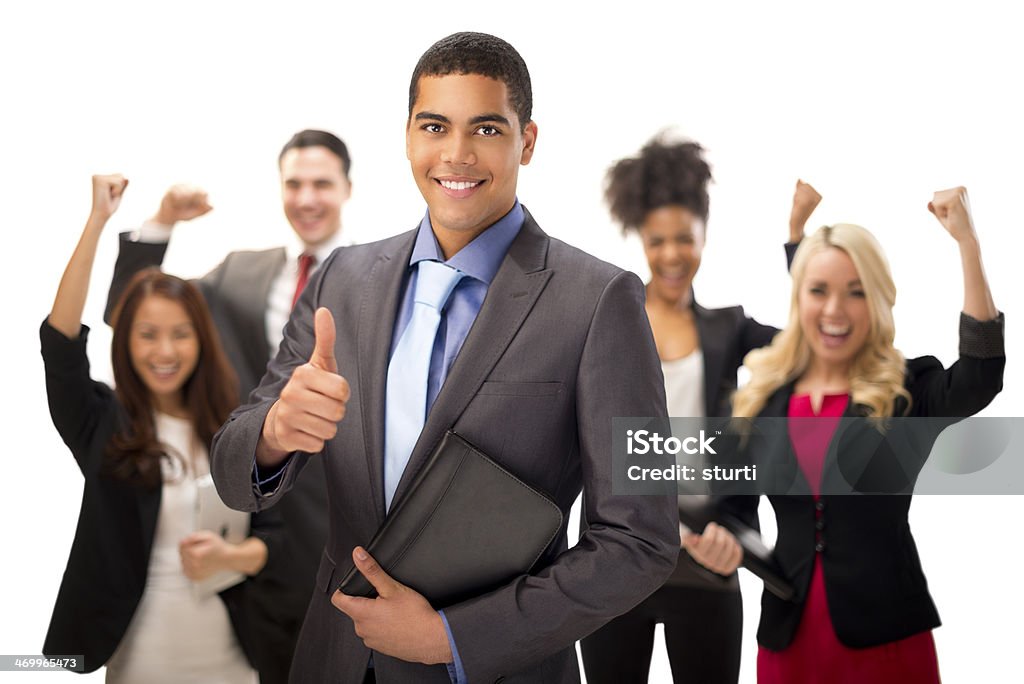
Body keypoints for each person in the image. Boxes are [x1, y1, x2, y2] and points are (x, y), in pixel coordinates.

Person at [210, 32, 679, 684]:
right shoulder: (340, 280)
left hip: (493, 669)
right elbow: (235, 470)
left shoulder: (602, 300)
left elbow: (642, 540)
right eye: (435, 126)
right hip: (334, 662)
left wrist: (454, 638)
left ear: (528, 140)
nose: (457, 154)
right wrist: (272, 434)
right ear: (408, 135)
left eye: (486, 128)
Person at [689, 187, 1004, 683]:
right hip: (788, 647)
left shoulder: (903, 395)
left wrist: (968, 244)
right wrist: (722, 547)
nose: (836, 309)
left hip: (889, 646)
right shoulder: (760, 404)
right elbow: (734, 510)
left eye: (857, 291)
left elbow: (980, 377)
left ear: (877, 301)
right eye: (819, 291)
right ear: (800, 296)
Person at [103, 129, 351, 683]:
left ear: (347, 189)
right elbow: (136, 317)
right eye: (294, 184)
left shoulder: (378, 278)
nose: (306, 198)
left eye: (322, 184)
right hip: (247, 521)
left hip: (338, 524)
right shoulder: (241, 273)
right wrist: (161, 222)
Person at [580, 138, 819, 683]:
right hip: (616, 563)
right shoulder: (603, 321)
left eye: (684, 238)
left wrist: (797, 245)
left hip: (708, 564)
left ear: (703, 237)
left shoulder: (728, 328)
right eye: (658, 240)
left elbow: (808, 348)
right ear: (640, 238)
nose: (671, 255)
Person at [41, 175, 282, 681]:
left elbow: (279, 536)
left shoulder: (233, 426)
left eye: (179, 334)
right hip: (143, 655)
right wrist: (97, 221)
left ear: (202, 338)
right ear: (125, 340)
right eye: (148, 335)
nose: (165, 351)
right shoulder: (103, 424)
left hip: (234, 656)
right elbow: (60, 345)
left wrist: (234, 556)